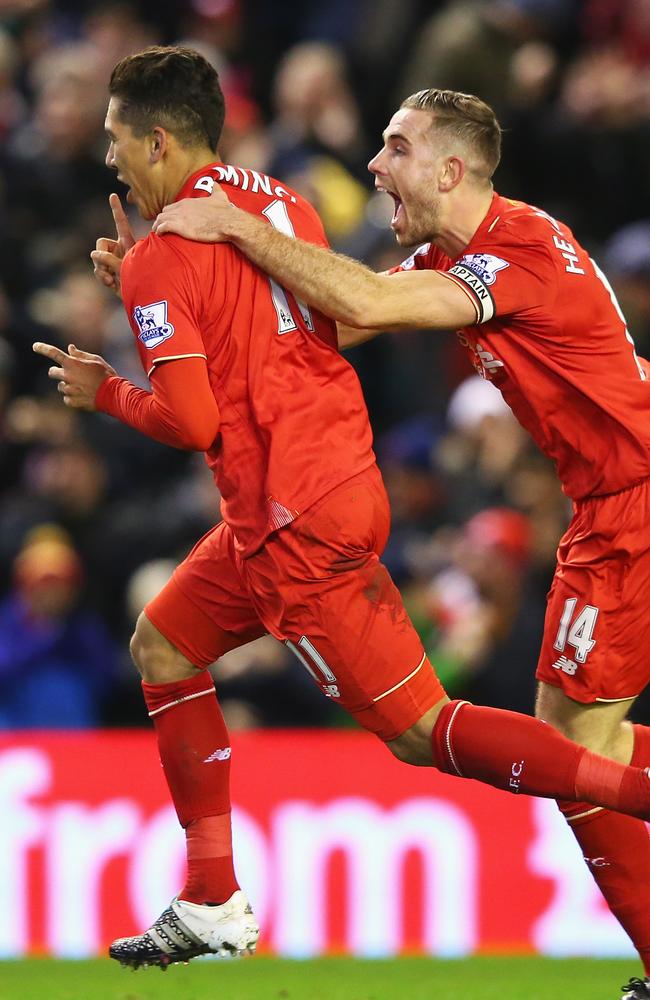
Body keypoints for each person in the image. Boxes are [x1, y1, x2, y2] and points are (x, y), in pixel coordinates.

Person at [43, 52, 650, 984]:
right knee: (163, 644)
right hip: (530, 504)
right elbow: (331, 317)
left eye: (396, 148)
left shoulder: (513, 256)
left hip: (616, 506)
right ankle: (211, 893)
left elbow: (358, 298)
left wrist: (221, 240)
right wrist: (172, 282)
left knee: (466, 739)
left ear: (450, 170)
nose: (374, 164)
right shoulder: (451, 252)